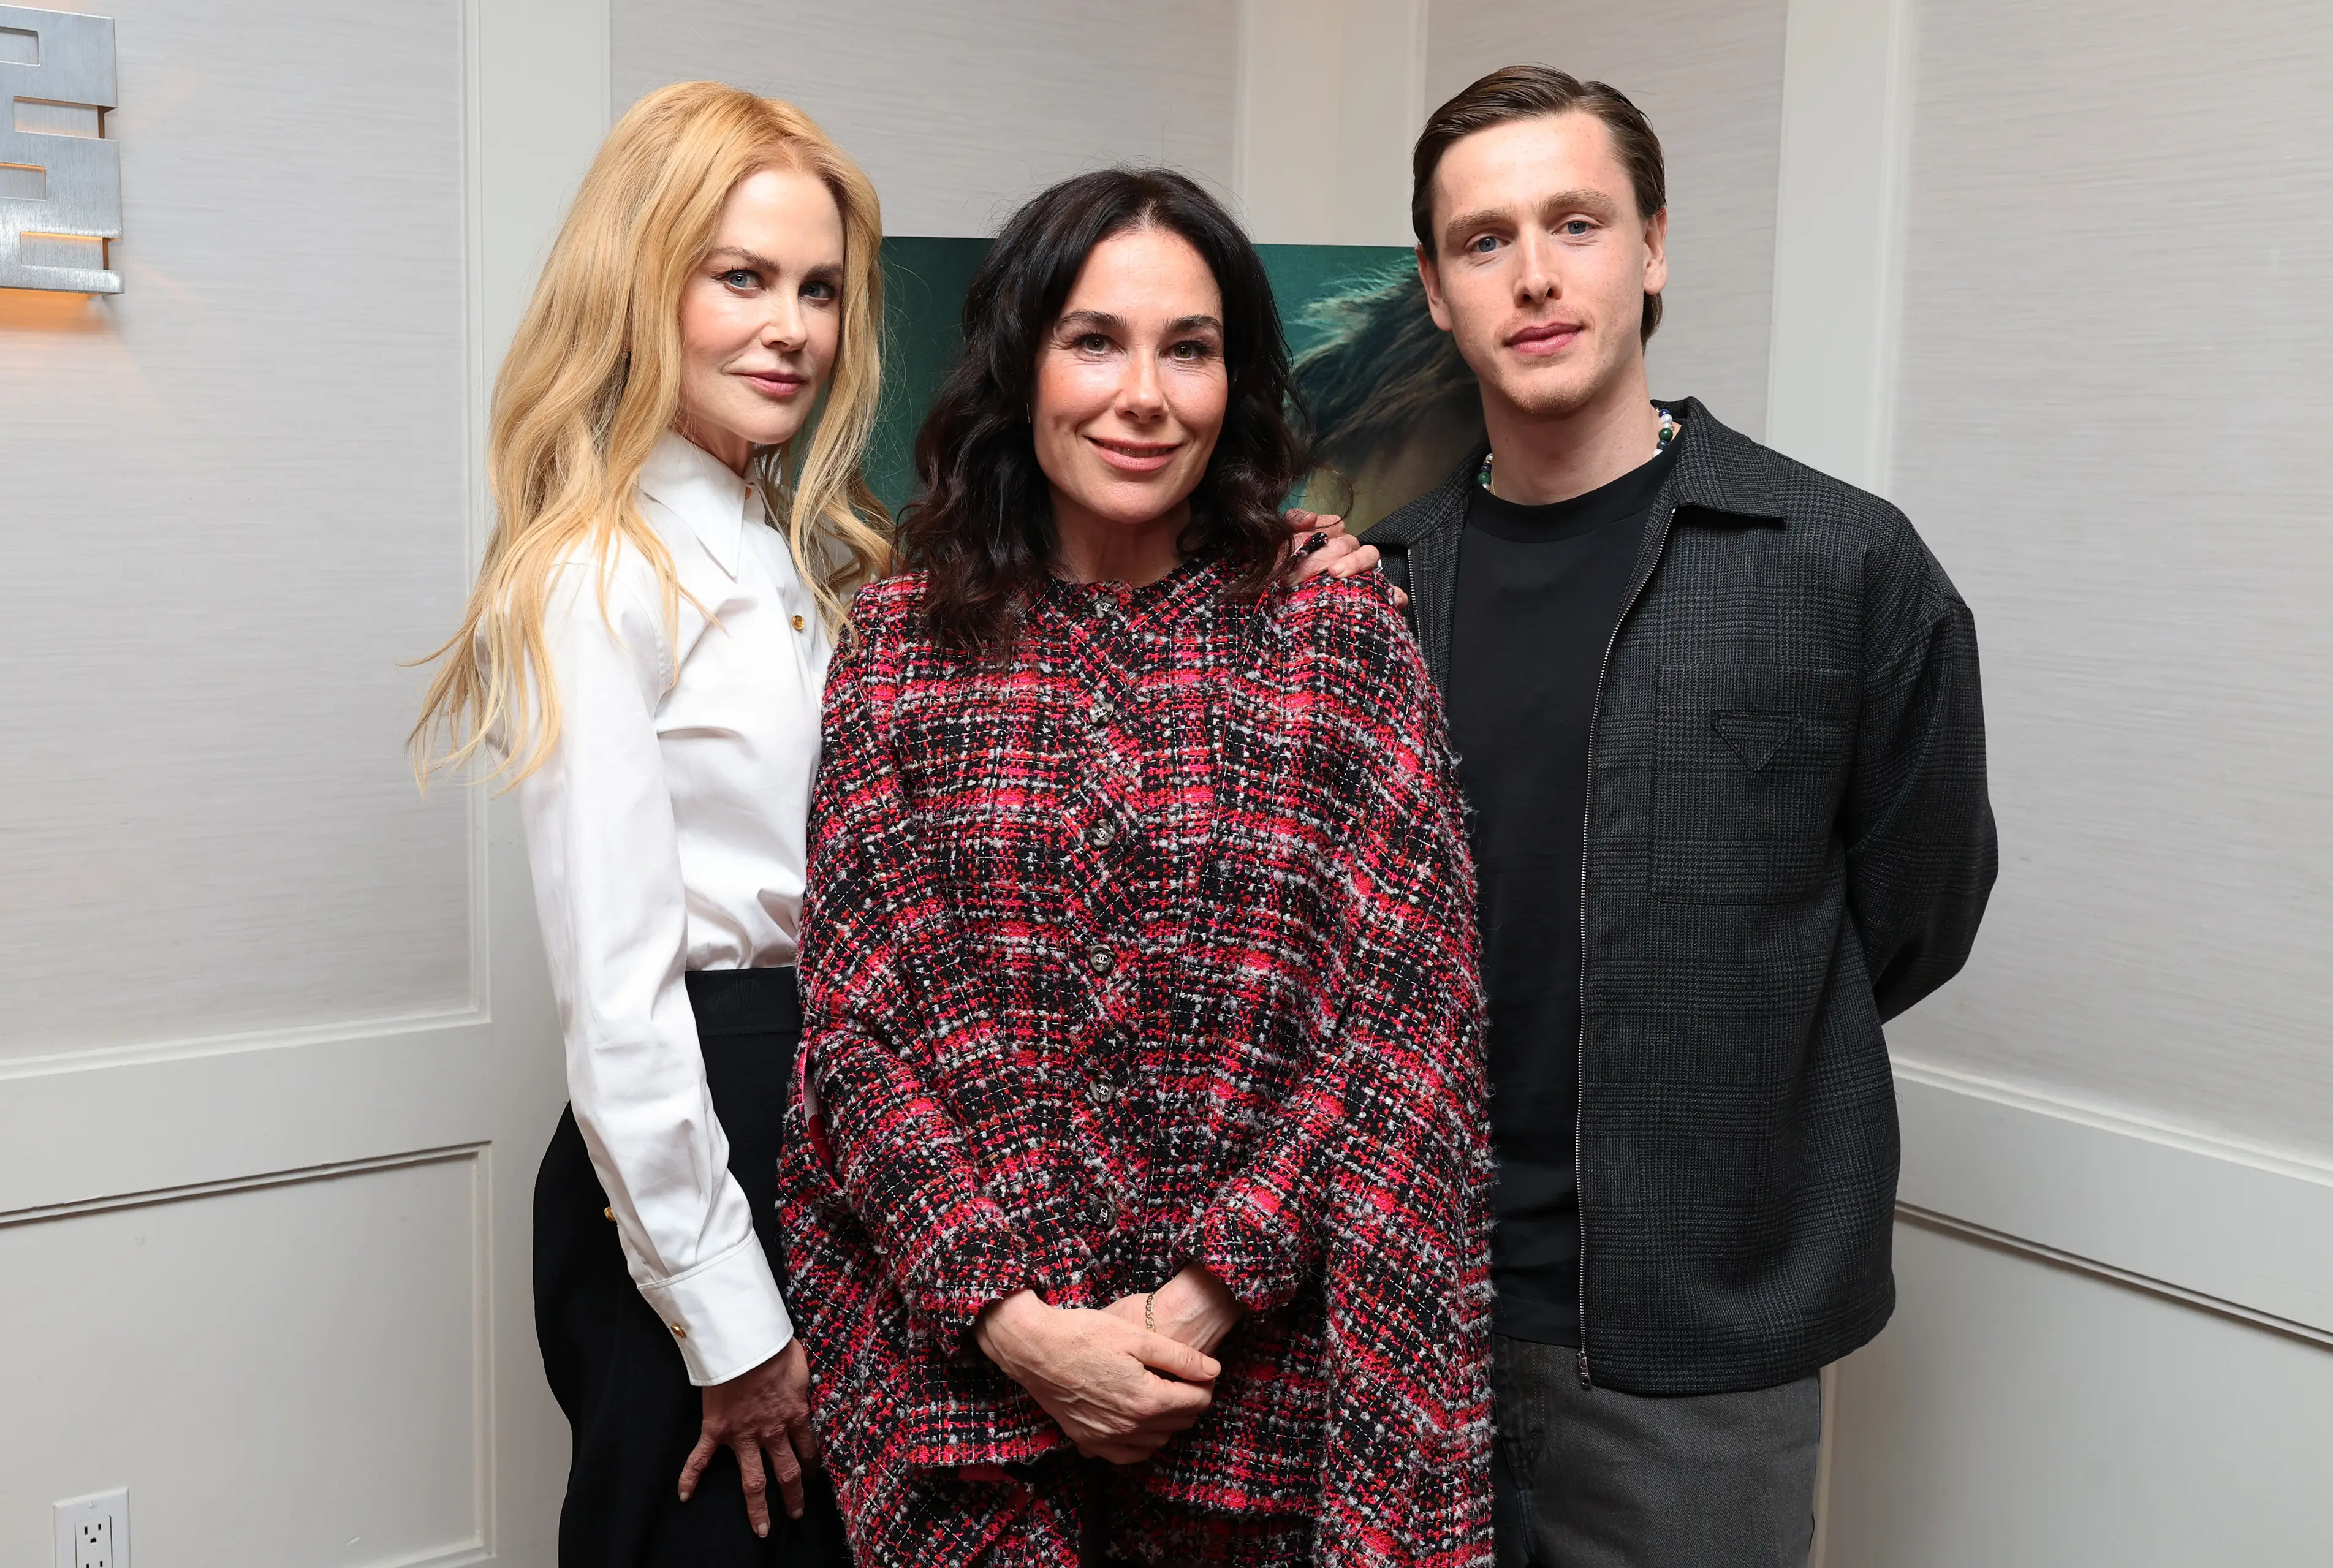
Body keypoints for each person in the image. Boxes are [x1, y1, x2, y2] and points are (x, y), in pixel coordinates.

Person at [776, 167, 1494, 1567]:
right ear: (1018, 361)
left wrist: (1211, 1291)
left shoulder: (1337, 638)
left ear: (1238, 382)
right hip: (973, 1392)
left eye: (1191, 347)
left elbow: (1407, 1022)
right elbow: (858, 1035)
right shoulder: (900, 644)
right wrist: (1019, 1323)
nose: (1143, 395)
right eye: (1094, 339)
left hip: (1266, 1392)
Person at [1364, 67, 1997, 1568]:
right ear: (1436, 294)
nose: (1533, 274)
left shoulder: (1839, 565)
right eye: (1483, 239)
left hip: (1699, 1345)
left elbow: (1912, 914)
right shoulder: (1375, 593)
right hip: (1400, 1320)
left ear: (1650, 246)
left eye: (1573, 223)